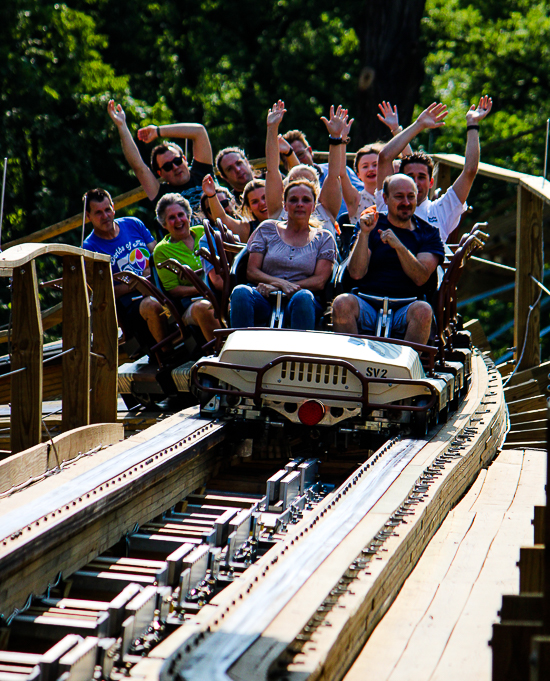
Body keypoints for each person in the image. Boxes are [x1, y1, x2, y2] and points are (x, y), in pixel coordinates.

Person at [331, 174, 444, 345]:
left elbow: (420, 277)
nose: (406, 202)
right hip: (366, 301)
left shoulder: (429, 233)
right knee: (341, 303)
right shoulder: (371, 224)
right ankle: (352, 364)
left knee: (424, 311)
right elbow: (355, 273)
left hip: (407, 306)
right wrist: (365, 234)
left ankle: (406, 368)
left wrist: (399, 246)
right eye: (399, 196)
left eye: (410, 196)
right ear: (385, 198)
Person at [375, 96, 493, 242]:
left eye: (421, 177)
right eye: (410, 176)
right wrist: (418, 125)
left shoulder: (440, 210)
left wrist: (473, 124)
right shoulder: (386, 201)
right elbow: (385, 157)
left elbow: (470, 171)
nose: (416, 182)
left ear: (431, 182)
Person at [230, 179, 337, 330]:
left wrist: (281, 288)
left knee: (303, 297)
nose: (299, 204)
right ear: (285, 206)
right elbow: (251, 271)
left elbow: (319, 281)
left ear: (313, 207)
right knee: (241, 292)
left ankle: (298, 352)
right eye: (293, 200)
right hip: (264, 298)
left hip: (302, 300)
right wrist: (280, 284)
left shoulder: (324, 238)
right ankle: (240, 350)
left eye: (306, 200)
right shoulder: (266, 229)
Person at [82, 188, 168, 347]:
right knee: (152, 305)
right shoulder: (89, 248)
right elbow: (100, 293)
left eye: (108, 210)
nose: (105, 216)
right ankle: (166, 353)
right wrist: (136, 283)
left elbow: (158, 255)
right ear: (88, 216)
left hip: (158, 288)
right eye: (98, 213)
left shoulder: (133, 224)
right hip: (129, 306)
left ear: (113, 207)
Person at [107, 100, 213, 222]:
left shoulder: (203, 174)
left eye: (177, 161)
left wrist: (157, 131)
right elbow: (138, 166)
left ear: (184, 159)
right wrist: (121, 126)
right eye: (167, 166)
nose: (175, 167)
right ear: (160, 173)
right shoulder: (163, 194)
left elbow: (199, 132)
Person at [265, 100, 342, 238]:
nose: (302, 185)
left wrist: (336, 137)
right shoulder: (279, 210)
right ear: (285, 188)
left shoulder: (325, 209)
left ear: (318, 189)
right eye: (296, 181)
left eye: (308, 181)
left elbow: (334, 174)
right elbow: (272, 170)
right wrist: (272, 128)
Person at [153, 194, 219, 342]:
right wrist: (205, 288)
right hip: (191, 302)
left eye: (181, 215)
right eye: (171, 218)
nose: (178, 220)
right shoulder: (162, 250)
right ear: (164, 225)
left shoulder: (203, 231)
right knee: (204, 308)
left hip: (219, 289)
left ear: (188, 217)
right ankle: (220, 351)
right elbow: (173, 290)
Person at [341, 102, 413, 224]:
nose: (371, 169)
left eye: (375, 165)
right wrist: (341, 139)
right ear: (358, 174)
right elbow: (341, 172)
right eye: (365, 166)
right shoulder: (356, 199)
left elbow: (413, 164)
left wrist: (396, 129)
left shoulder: (398, 197)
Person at [279, 128, 362, 218]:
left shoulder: (341, 171)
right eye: (290, 158)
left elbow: (364, 196)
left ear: (310, 151)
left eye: (300, 154)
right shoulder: (285, 187)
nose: (298, 160)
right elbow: (300, 174)